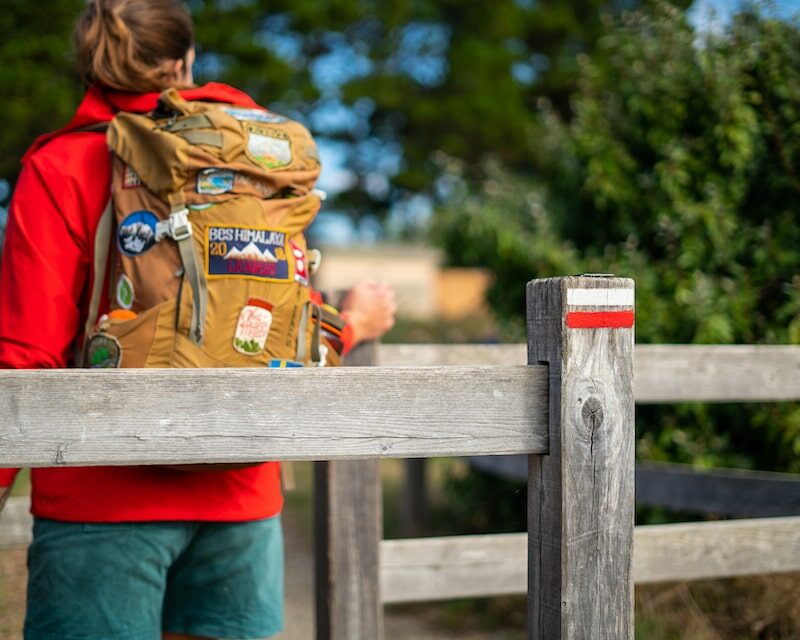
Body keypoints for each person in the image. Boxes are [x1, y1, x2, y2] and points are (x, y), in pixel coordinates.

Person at [0, 1, 396, 638]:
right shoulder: (253, 169)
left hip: (99, 507)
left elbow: (25, 358)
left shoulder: (59, 167)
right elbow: (285, 333)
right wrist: (351, 324)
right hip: (240, 497)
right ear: (184, 60)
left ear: (89, 65)